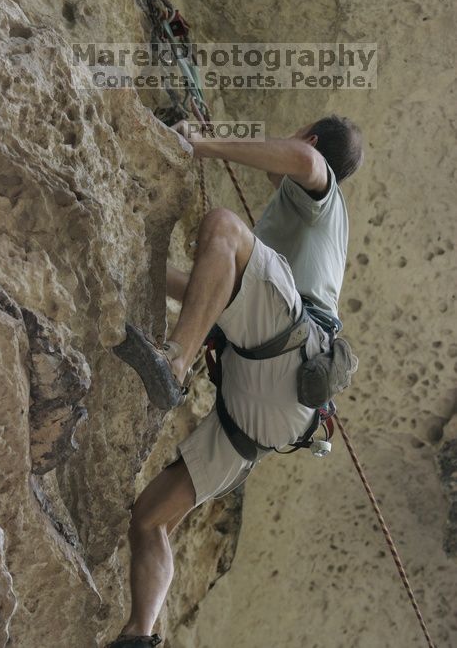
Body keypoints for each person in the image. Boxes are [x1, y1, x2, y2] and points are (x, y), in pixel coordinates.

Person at [107, 114, 364, 648]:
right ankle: (140, 634)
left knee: (224, 225)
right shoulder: (287, 230)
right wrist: (131, 258)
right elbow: (201, 288)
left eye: (294, 135)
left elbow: (304, 162)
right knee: (151, 520)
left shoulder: (323, 195)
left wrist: (200, 143)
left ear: (310, 140)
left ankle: (173, 364)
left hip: (288, 354)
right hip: (272, 411)